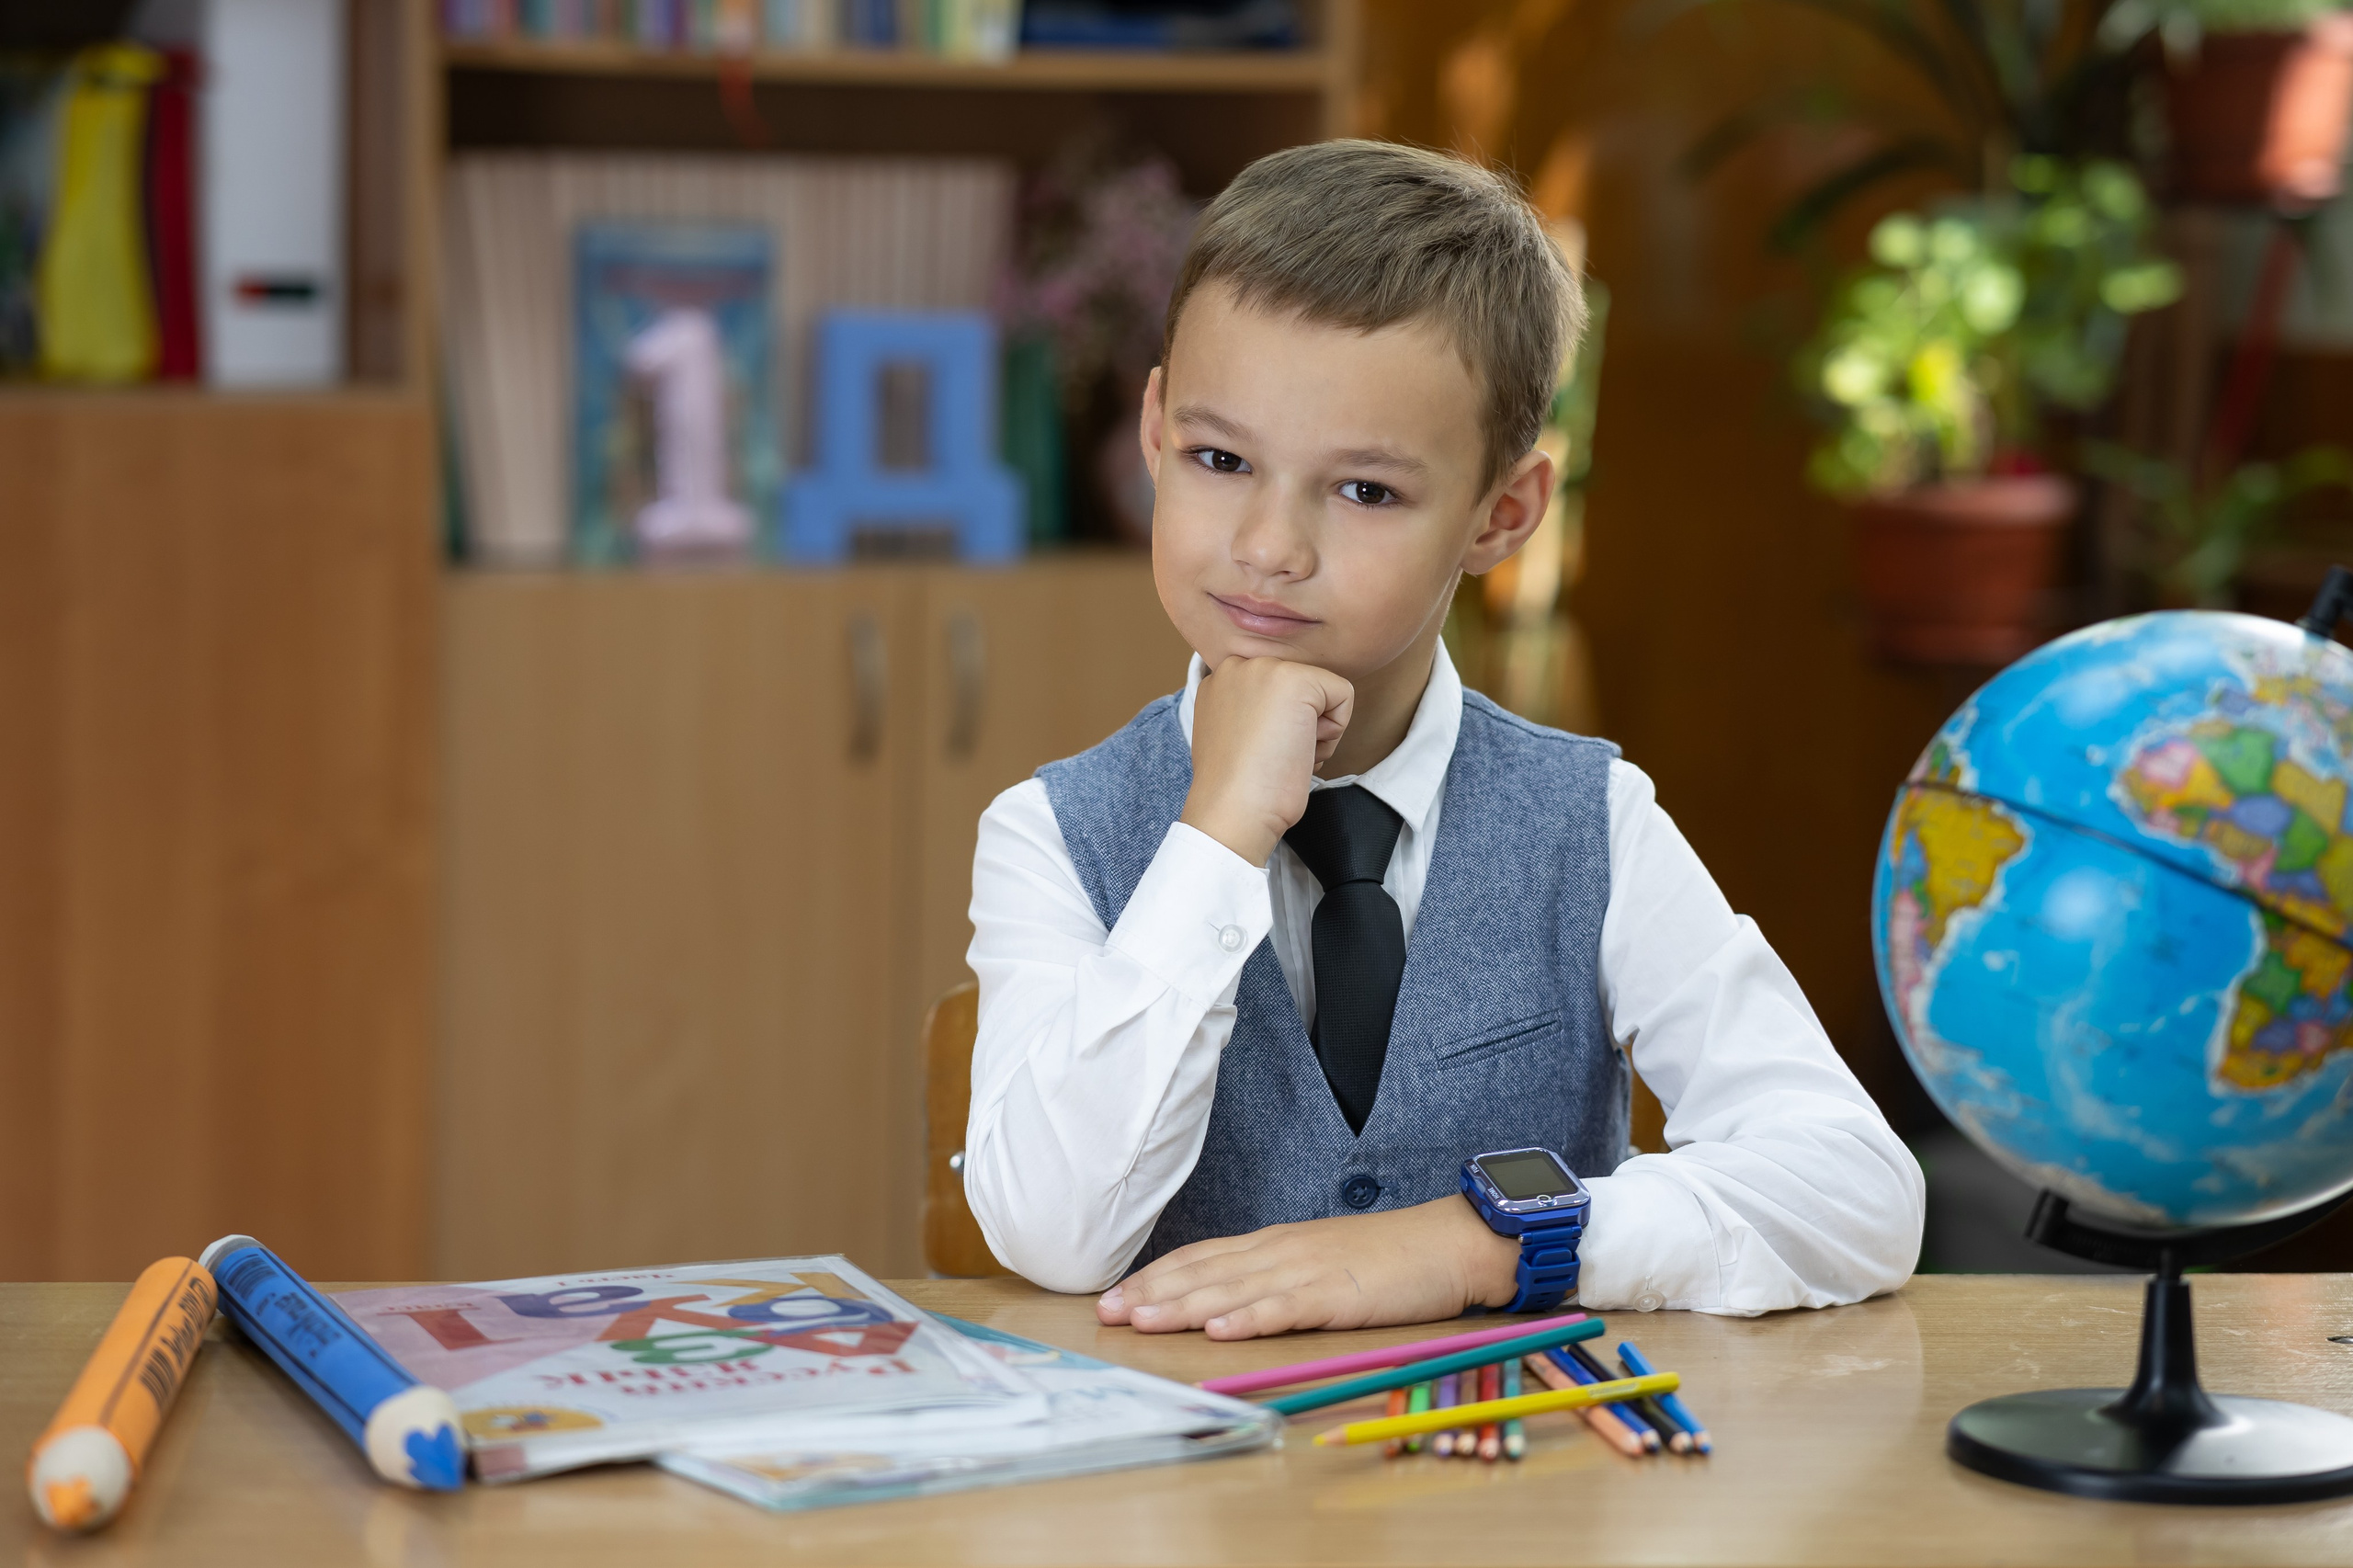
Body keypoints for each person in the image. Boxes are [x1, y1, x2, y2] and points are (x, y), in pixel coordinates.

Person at [961, 141, 1924, 1338]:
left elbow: (1857, 1188)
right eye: (1221, 459)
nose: (1269, 547)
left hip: (1519, 1454)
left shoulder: (1591, 822)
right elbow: (1051, 1232)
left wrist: (1479, 1243)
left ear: (1501, 514)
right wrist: (1216, 836)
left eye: (1365, 490)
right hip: (1192, 1455)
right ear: (1155, 433)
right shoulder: (1050, 833)